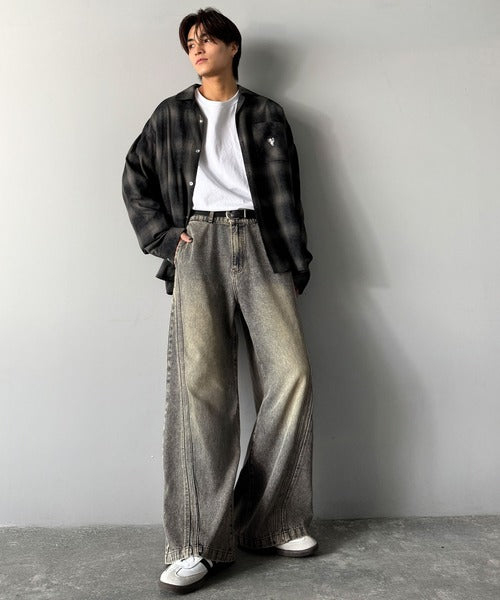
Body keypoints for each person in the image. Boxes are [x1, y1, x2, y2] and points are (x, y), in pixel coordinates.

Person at [122, 7, 317, 594]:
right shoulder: (170, 114)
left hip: (263, 243)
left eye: (207, 39)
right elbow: (135, 176)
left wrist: (296, 262)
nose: (197, 48)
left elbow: (290, 195)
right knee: (201, 389)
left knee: (291, 375)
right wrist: (164, 238)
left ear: (233, 47)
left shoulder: (268, 114)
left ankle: (269, 521)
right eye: (190, 43)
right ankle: (197, 543)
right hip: (199, 241)